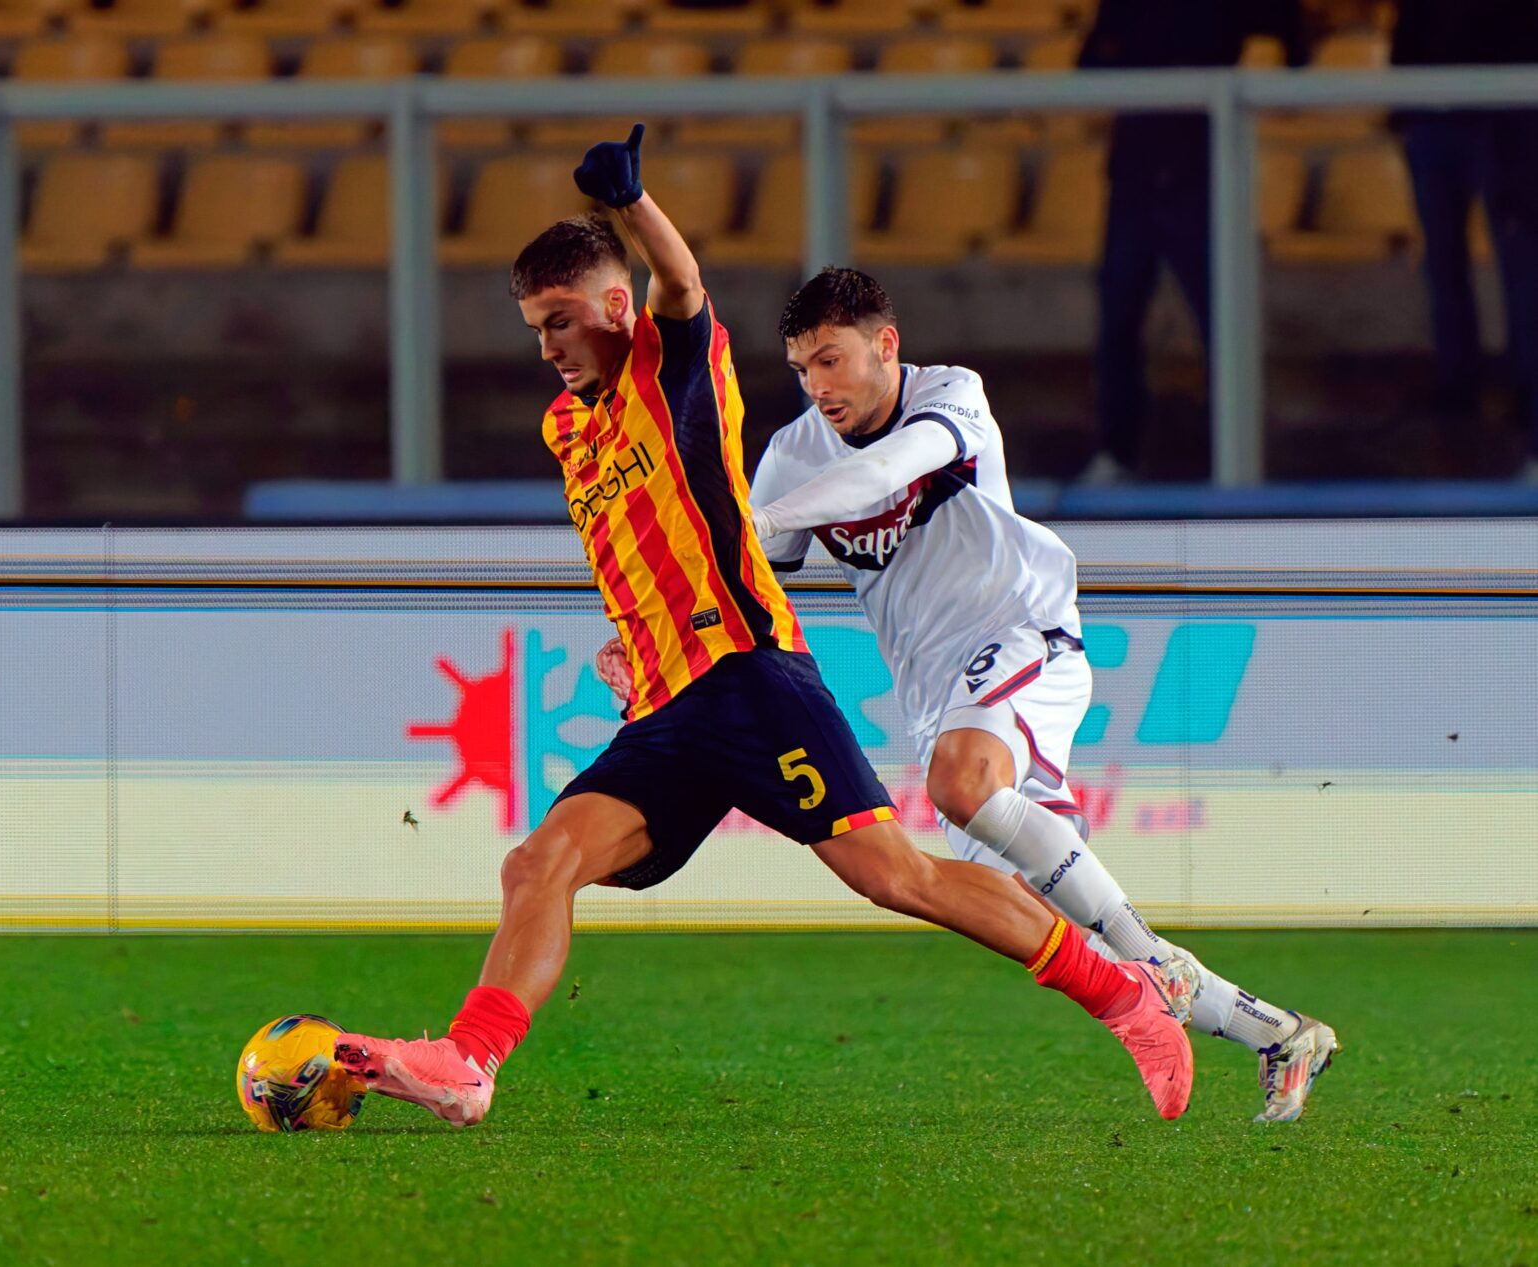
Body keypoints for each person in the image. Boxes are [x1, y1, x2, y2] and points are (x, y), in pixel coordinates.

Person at [333, 127, 1196, 1128]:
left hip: (750, 679)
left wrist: (633, 206)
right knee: (538, 863)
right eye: (534, 328)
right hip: (668, 705)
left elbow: (682, 283)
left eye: (560, 321)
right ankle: (469, 1062)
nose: (547, 347)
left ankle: (1126, 996)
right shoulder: (566, 426)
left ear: (613, 308)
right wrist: (628, 635)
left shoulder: (670, 369)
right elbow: (640, 541)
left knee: (897, 878)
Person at [742, 266, 1339, 1122]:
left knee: (963, 786)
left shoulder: (950, 395)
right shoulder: (793, 456)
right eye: (802, 369)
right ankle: (1280, 1033)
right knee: (1050, 921)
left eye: (831, 360)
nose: (817, 386)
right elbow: (750, 589)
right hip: (936, 696)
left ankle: (1147, 953)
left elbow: (882, 474)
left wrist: (759, 517)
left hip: (1022, 633)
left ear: (886, 345)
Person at [1076, 0, 1308, 483]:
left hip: (1200, 174)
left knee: (1222, 322)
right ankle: (1118, 452)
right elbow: (1091, 63)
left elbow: (1288, 25)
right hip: (1136, 177)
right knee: (1118, 322)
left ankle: (1234, 457)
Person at [1391, 0, 1538, 478]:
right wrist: (1403, 112)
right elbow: (1410, 32)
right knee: (1446, 264)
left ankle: (1525, 392)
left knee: (1521, 268)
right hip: (1436, 122)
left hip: (1504, 124)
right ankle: (1458, 388)